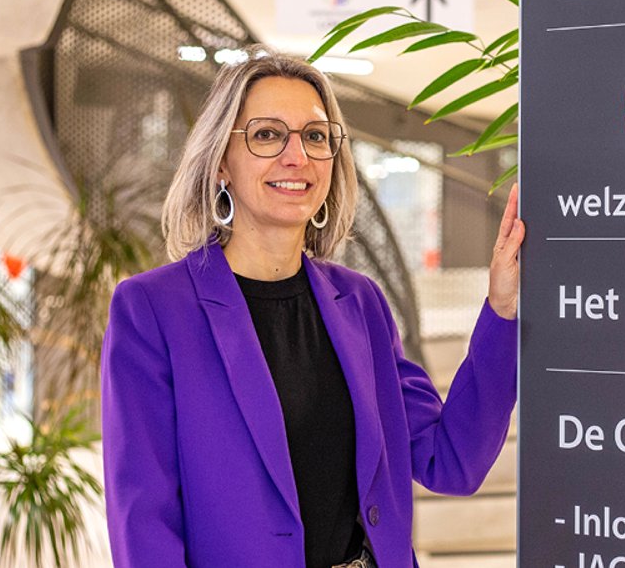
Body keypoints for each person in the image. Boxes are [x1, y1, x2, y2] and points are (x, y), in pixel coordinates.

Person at [100, 46, 524, 568]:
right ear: (221, 163)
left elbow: (451, 460)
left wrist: (502, 309)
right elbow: (143, 524)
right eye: (267, 134)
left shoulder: (360, 303)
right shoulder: (153, 310)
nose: (296, 156)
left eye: (316, 136)